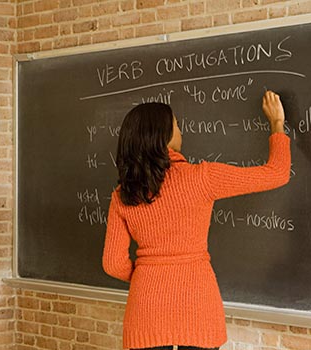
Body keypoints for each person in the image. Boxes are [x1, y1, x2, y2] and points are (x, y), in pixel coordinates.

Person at [101, 91, 291, 350]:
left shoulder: (123, 194)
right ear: (164, 135)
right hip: (198, 309)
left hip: (145, 314)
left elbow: (112, 264)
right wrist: (277, 124)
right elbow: (277, 173)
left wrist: (149, 272)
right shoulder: (201, 178)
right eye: (177, 125)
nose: (181, 131)